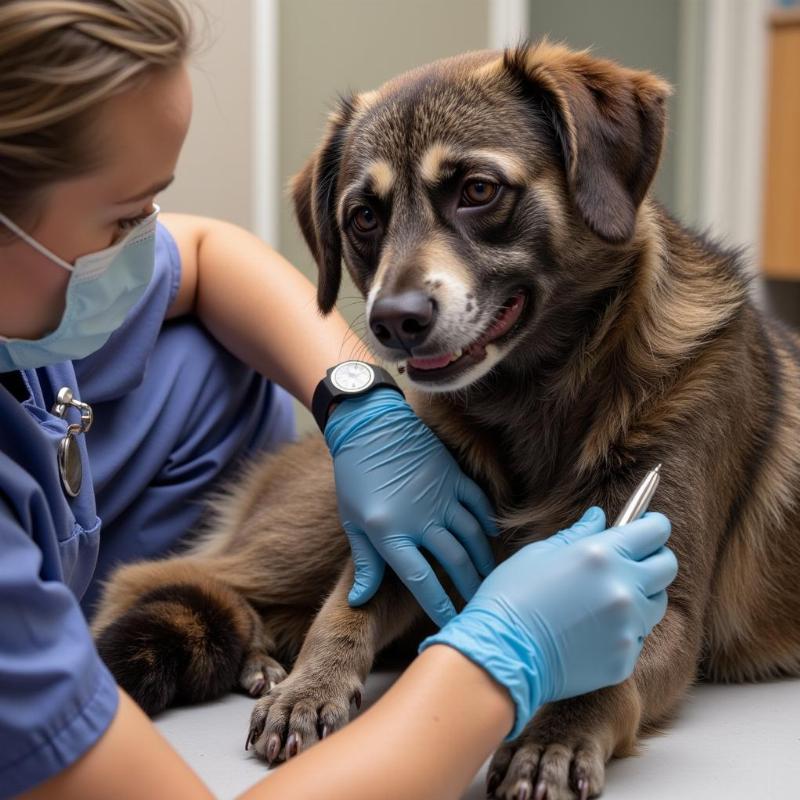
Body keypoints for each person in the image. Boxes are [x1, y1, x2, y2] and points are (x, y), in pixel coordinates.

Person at [0, 2, 678, 798]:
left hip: (102, 560)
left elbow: (213, 256)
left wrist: (358, 400)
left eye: (155, 204)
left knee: (203, 342)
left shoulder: (31, 299)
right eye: (122, 219)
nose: (152, 238)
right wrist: (499, 663)